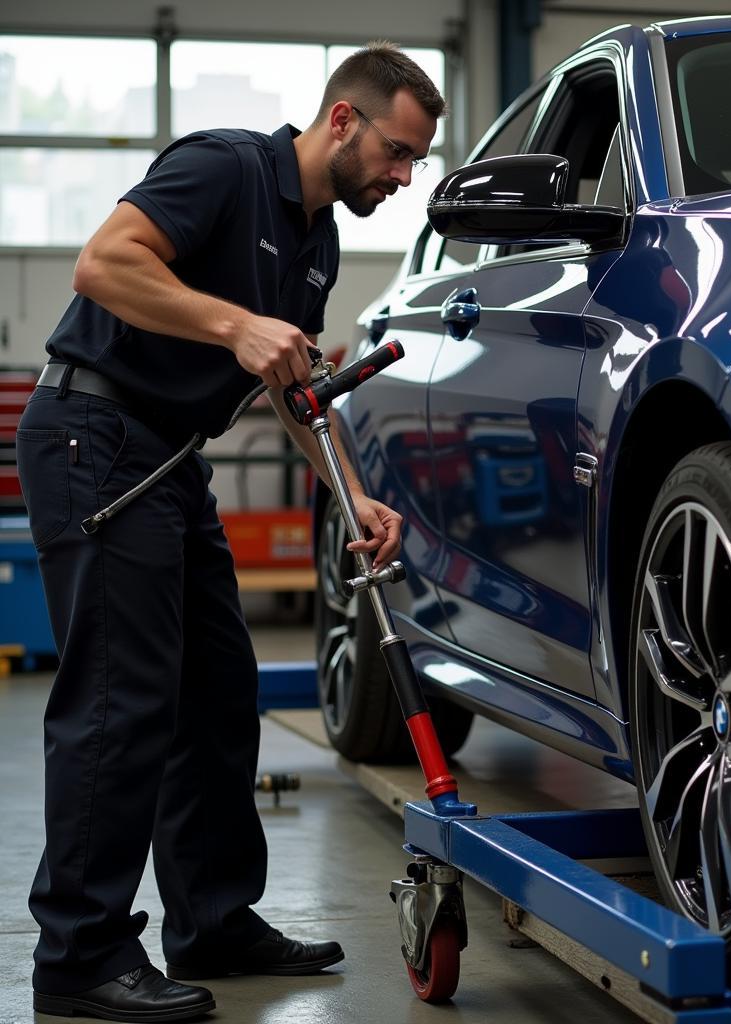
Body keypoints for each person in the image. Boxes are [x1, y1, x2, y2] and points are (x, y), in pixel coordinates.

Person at [16, 41, 444, 1023]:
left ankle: (211, 918)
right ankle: (79, 955)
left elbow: (293, 389)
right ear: (344, 119)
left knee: (218, 690)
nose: (405, 176)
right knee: (122, 697)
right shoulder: (222, 166)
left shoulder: (318, 242)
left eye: (416, 162)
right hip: (94, 433)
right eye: (398, 151)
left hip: (167, 457)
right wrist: (231, 325)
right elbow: (101, 263)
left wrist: (351, 493)